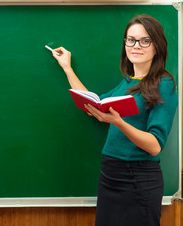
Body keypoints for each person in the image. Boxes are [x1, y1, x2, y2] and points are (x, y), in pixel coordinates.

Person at [51, 14, 178, 226]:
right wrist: (67, 68)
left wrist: (119, 122)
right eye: (131, 39)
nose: (136, 46)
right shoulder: (128, 82)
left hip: (139, 177)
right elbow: (94, 104)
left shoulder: (164, 84)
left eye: (145, 40)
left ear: (157, 46)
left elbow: (155, 146)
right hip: (110, 173)